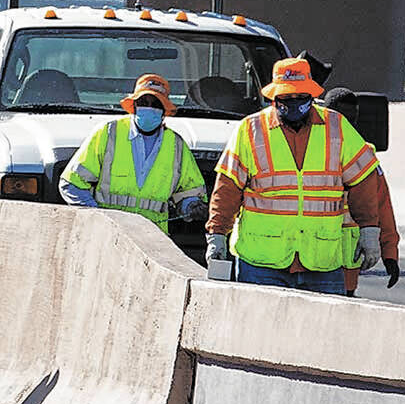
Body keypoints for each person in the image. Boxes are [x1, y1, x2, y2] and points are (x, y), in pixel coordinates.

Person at [205, 58, 382, 294]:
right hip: (262, 261)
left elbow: (363, 181)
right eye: (286, 99)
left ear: (311, 96)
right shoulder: (250, 130)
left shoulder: (337, 127)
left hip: (321, 260)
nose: (294, 104)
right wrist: (217, 234)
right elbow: (227, 188)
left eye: (300, 98)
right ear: (274, 98)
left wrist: (370, 230)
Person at [60, 74, 208, 233]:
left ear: (164, 110)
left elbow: (189, 193)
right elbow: (72, 183)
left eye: (155, 104)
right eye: (144, 102)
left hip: (153, 239)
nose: (149, 107)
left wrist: (192, 206)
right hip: (106, 235)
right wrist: (97, 218)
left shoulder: (176, 145)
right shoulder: (108, 133)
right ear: (134, 106)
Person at [322, 87, 401, 295]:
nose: (347, 125)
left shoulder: (365, 156)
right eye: (341, 117)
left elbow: (382, 205)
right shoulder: (307, 150)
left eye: (352, 118)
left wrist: (389, 253)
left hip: (346, 265)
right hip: (307, 259)